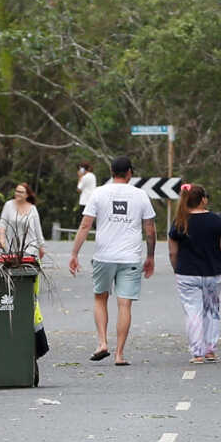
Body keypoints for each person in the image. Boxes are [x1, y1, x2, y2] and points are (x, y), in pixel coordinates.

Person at [67, 154, 156, 364]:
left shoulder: (98, 194)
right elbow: (150, 229)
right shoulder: (140, 195)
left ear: (111, 172)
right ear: (129, 173)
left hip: (104, 256)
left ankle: (102, 343)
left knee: (100, 298)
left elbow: (85, 225)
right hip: (130, 257)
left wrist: (74, 253)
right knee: (124, 304)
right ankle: (119, 354)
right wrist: (150, 256)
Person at [168, 182, 221, 362]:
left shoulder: (179, 222)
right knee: (211, 311)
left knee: (193, 311)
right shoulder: (216, 220)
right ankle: (210, 349)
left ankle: (197, 352)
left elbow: (172, 252)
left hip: (187, 273)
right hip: (213, 273)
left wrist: (177, 269)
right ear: (203, 200)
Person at [0, 180, 44, 257]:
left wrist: (41, 246)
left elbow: (37, 229)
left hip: (29, 248)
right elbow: (2, 224)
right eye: (17, 191)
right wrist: (2, 239)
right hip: (11, 248)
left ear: (27, 195)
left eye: (21, 192)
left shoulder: (32, 209)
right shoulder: (8, 205)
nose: (18, 194)